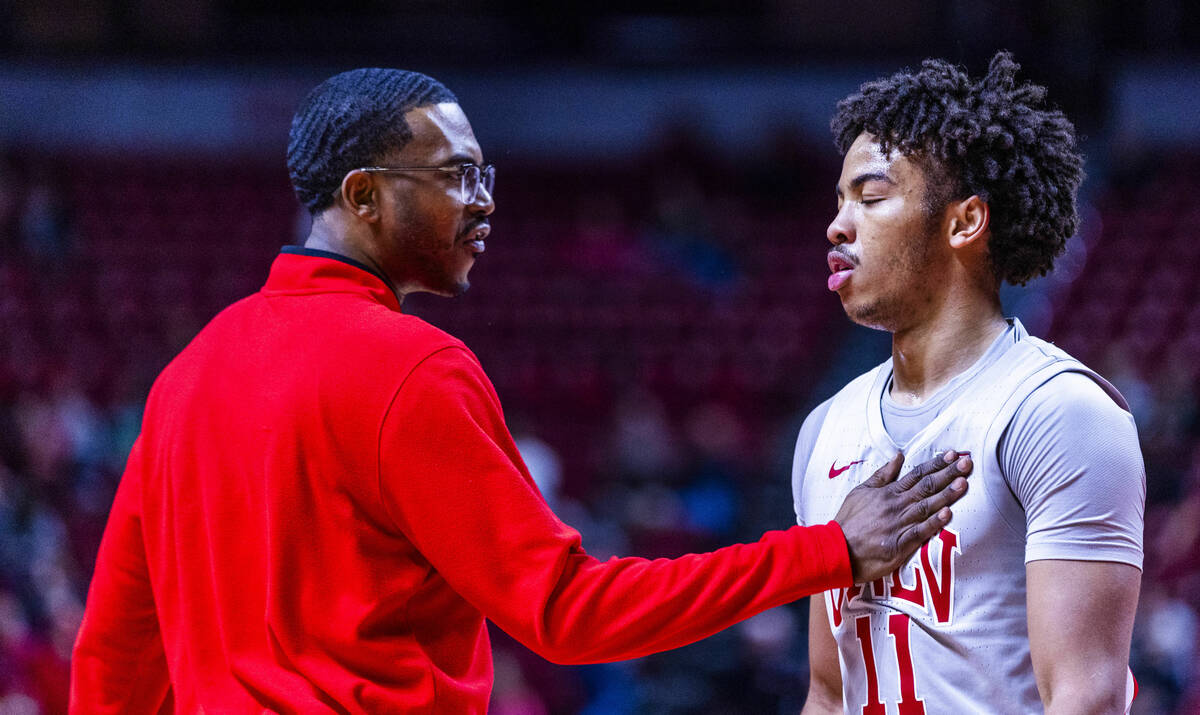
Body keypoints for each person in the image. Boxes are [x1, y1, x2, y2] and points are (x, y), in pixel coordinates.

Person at [70, 68, 972, 713]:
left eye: (484, 176)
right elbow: (570, 612)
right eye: (457, 176)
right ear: (365, 195)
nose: (485, 201)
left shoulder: (187, 373)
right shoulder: (409, 368)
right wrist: (827, 551)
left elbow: (113, 657)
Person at [793, 52, 1144, 714]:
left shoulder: (1058, 411)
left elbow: (1085, 698)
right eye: (839, 201)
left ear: (964, 222)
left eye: (869, 198)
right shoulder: (825, 428)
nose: (838, 225)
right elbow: (828, 689)